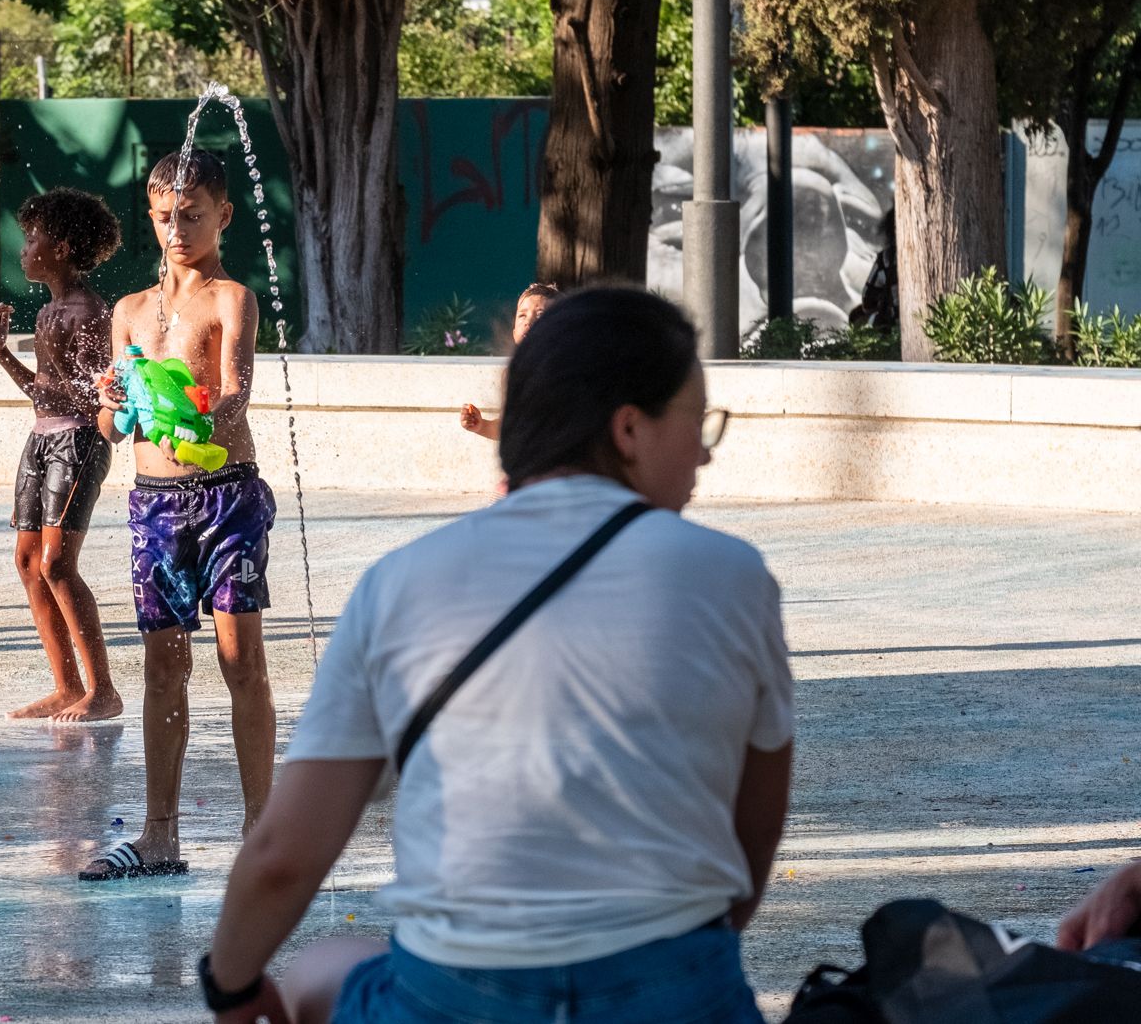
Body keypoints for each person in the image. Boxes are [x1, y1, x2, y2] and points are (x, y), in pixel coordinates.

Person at [199, 287, 792, 1024]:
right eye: (697, 421)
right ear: (631, 428)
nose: (704, 449)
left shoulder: (401, 581)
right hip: (675, 991)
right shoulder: (735, 576)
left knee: (319, 970)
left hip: (457, 995)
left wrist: (229, 985)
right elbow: (751, 844)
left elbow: (283, 855)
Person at [79, 148, 275, 883]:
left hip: (227, 497)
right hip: (156, 504)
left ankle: (261, 830)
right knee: (165, 664)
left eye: (192, 215)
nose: (177, 229)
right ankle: (160, 835)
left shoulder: (231, 299)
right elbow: (113, 427)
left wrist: (196, 414)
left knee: (239, 659)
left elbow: (235, 391)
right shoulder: (129, 312)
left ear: (223, 215)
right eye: (164, 216)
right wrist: (110, 397)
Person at [0, 187, 124, 723]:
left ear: (61, 248)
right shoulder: (48, 311)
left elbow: (95, 398)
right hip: (42, 438)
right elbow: (44, 391)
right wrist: (2, 356)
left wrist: (35, 378)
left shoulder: (87, 311)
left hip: (77, 443)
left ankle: (102, 689)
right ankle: (66, 686)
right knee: (27, 561)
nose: (23, 248)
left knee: (57, 564)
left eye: (32, 238)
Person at [459, 282, 558, 442]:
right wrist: (481, 426)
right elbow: (509, 427)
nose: (528, 321)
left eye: (540, 315)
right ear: (514, 332)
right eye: (522, 315)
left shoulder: (567, 370)